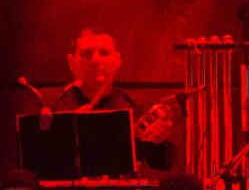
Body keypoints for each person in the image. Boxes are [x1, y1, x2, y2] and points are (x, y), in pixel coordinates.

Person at [53, 27, 175, 169]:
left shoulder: (131, 106)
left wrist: (160, 142)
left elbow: (163, 164)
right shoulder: (53, 106)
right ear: (71, 62)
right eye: (86, 54)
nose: (95, 60)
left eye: (104, 53)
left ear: (117, 61)